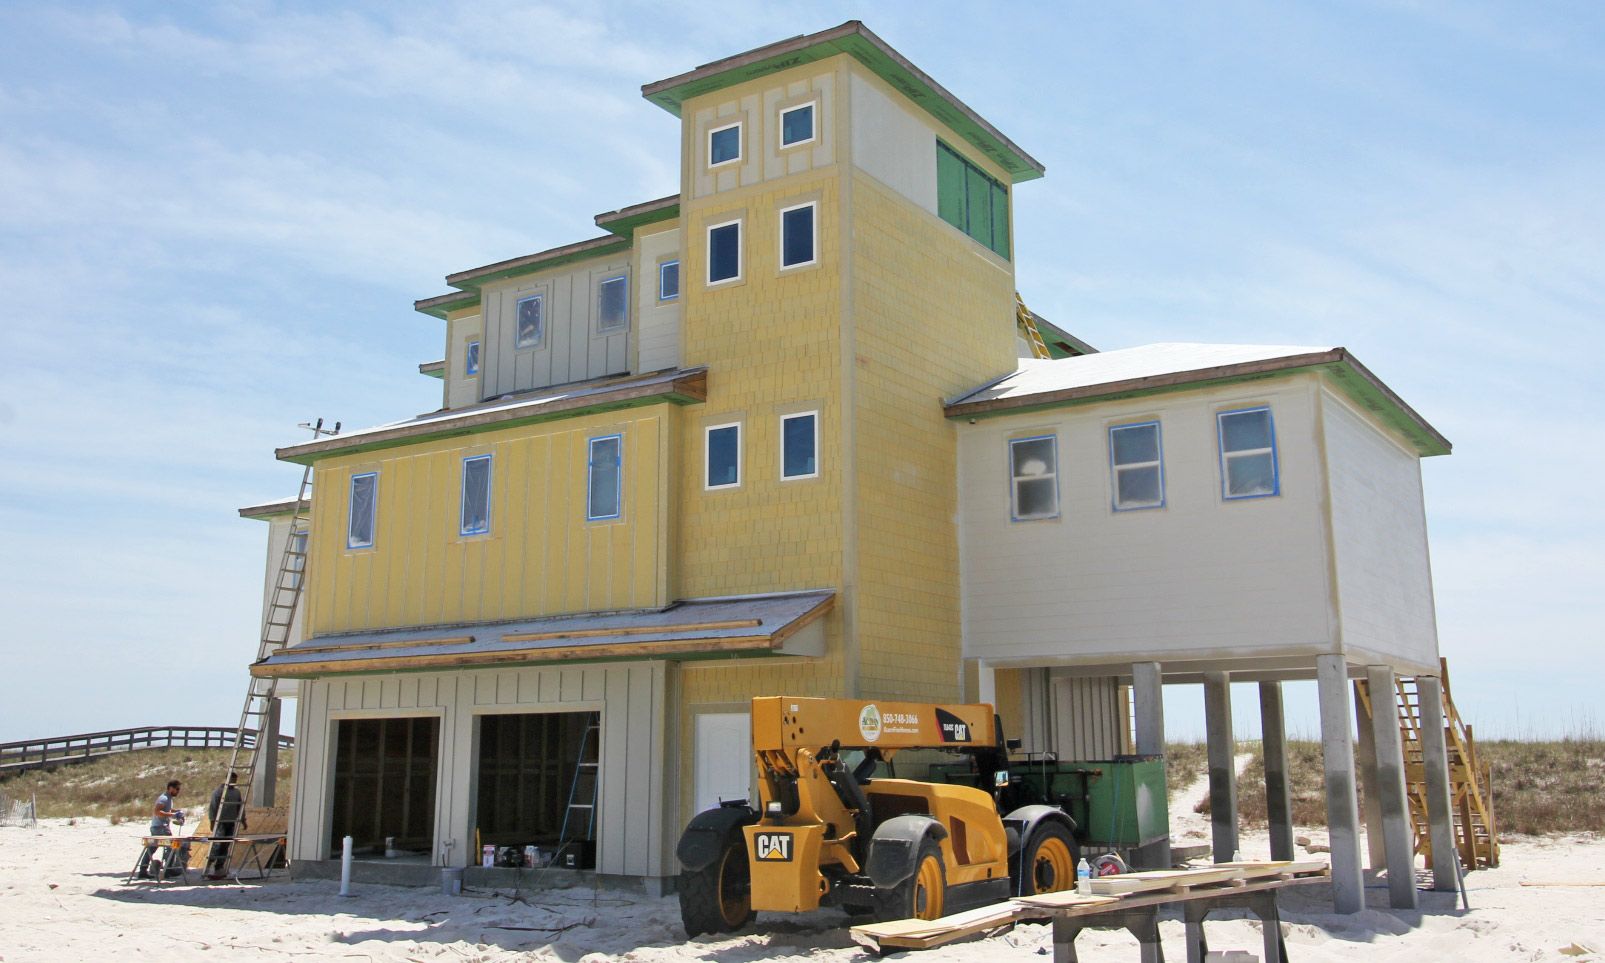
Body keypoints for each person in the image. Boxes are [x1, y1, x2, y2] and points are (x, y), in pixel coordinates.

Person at [134, 780, 184, 879]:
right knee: (172, 846)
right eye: (177, 789)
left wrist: (177, 811)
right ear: (171, 788)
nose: (178, 791)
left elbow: (167, 810)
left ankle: (142, 871)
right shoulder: (164, 798)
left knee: (152, 848)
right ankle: (168, 870)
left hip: (157, 827)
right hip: (161, 827)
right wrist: (173, 815)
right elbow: (157, 811)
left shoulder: (168, 799)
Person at [204, 773, 248, 879]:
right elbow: (213, 807)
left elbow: (240, 807)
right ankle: (208, 865)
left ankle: (219, 867)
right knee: (217, 844)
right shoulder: (218, 792)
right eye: (232, 779)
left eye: (235, 779)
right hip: (220, 822)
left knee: (226, 845)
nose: (234, 781)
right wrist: (212, 821)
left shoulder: (236, 793)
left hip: (231, 822)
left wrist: (243, 820)